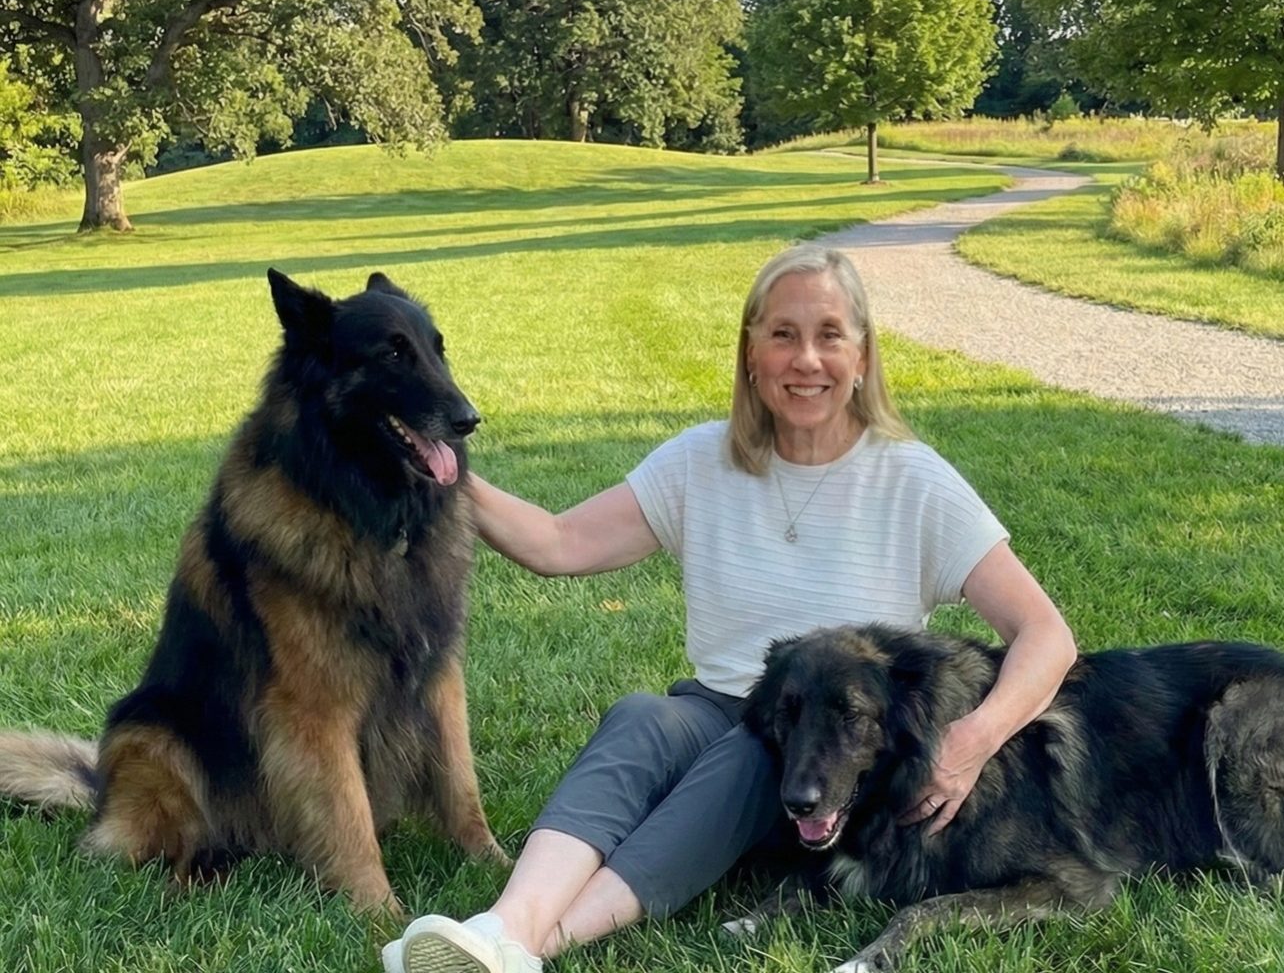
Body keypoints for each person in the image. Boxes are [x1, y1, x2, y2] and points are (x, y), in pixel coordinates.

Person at [382, 244, 1078, 973]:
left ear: (863, 356)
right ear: (750, 353)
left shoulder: (912, 481)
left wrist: (967, 745)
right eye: (782, 335)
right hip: (717, 706)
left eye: (829, 335)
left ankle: (536, 948)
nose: (805, 358)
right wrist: (445, 468)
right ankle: (504, 923)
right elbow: (559, 542)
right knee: (641, 718)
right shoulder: (701, 461)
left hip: (821, 749)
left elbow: (1046, 636)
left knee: (756, 749)